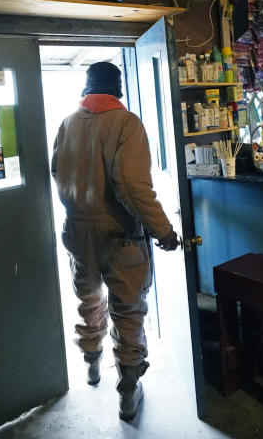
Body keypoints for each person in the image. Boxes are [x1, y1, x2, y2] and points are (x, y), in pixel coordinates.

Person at [50, 61, 179, 421]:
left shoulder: (68, 123)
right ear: (117, 91)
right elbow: (132, 186)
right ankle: (127, 388)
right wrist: (163, 231)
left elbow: (57, 170)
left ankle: (91, 361)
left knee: (88, 297)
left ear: (87, 90)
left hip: (77, 230)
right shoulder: (126, 123)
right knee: (127, 309)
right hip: (120, 235)